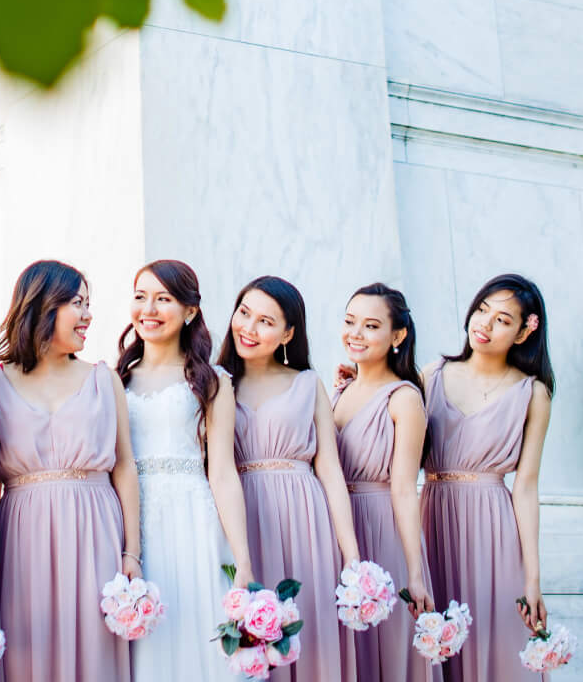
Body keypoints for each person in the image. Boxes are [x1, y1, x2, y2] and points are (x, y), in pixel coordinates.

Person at [0, 260, 137, 682]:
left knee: (94, 652)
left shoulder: (104, 379)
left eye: (89, 304)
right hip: (20, 537)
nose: (88, 315)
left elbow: (124, 468)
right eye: (77, 303)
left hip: (95, 531)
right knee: (26, 651)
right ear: (43, 306)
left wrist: (131, 552)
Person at [115, 259, 255, 681]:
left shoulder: (212, 381)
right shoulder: (115, 378)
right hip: (133, 522)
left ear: (190, 311)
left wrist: (243, 560)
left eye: (163, 299)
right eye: (141, 297)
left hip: (193, 522)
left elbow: (223, 473)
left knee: (199, 632)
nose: (149, 309)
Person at [219, 275, 360, 682]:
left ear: (288, 333)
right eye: (244, 313)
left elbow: (330, 469)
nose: (249, 328)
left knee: (308, 636)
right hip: (241, 517)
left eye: (265, 321)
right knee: (250, 640)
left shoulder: (307, 384)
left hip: (304, 519)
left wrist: (349, 553)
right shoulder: (216, 383)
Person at [420, 274, 555, 682]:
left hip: (493, 531)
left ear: (523, 332)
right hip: (433, 521)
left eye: (502, 319)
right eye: (482, 309)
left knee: (493, 644)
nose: (484, 323)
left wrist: (533, 578)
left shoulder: (533, 394)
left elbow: (526, 486)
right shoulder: (432, 375)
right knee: (434, 641)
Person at [334, 283, 434, 681]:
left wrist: (415, 572)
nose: (355, 333)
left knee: (387, 648)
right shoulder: (340, 389)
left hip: (382, 528)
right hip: (339, 530)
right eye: (349, 321)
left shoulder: (404, 398)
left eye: (370, 325)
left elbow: (405, 489)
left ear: (397, 335)